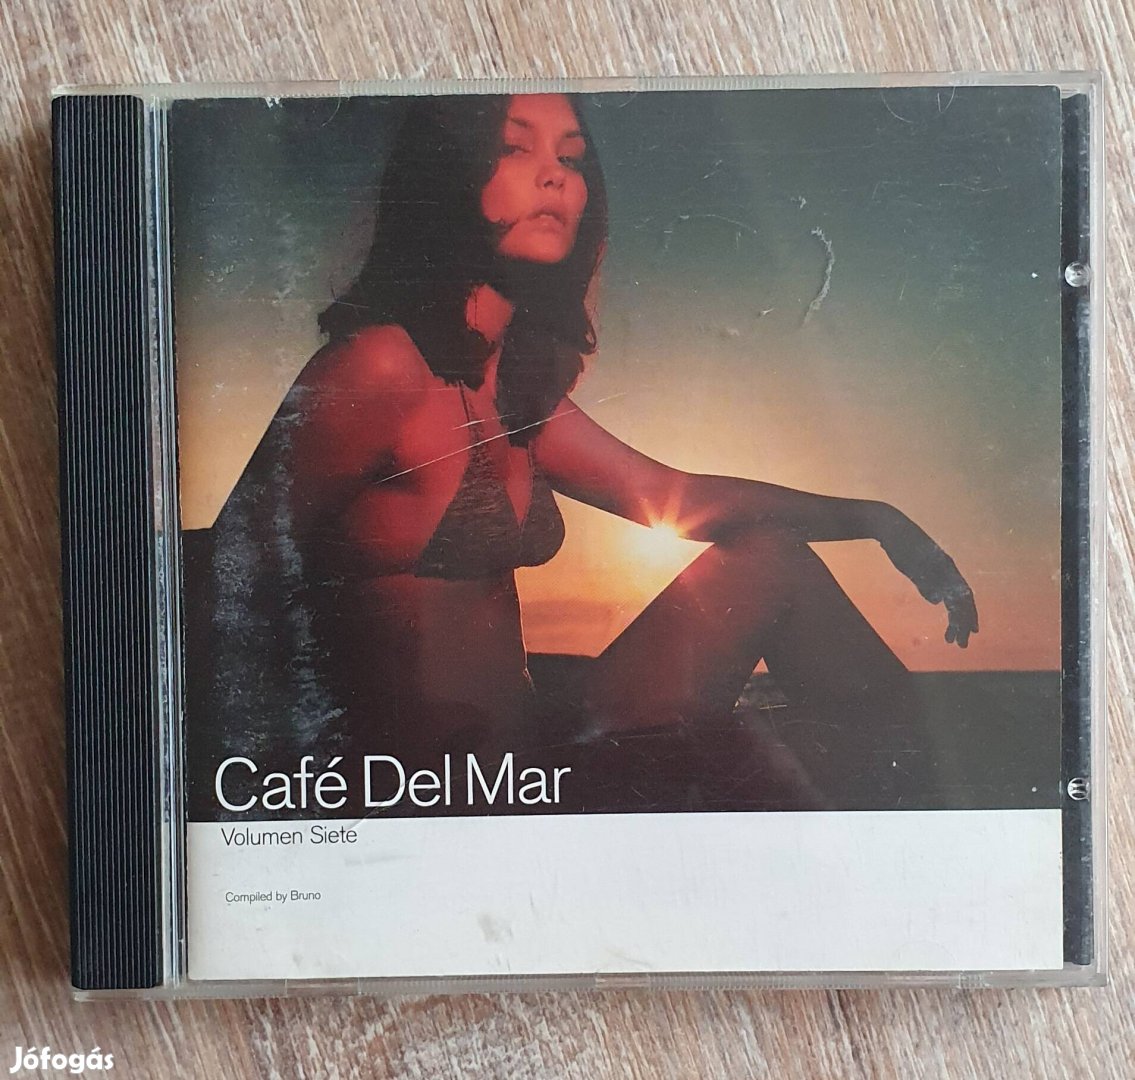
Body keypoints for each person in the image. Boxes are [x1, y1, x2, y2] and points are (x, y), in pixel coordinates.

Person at [191, 92, 978, 813]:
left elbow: (676, 496)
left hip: (533, 749)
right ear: (444, 174)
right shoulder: (380, 367)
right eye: (514, 148)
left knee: (772, 562)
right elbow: (220, 574)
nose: (555, 176)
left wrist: (875, 519)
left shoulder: (513, 394)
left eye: (570, 158)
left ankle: (932, 824)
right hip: (437, 792)